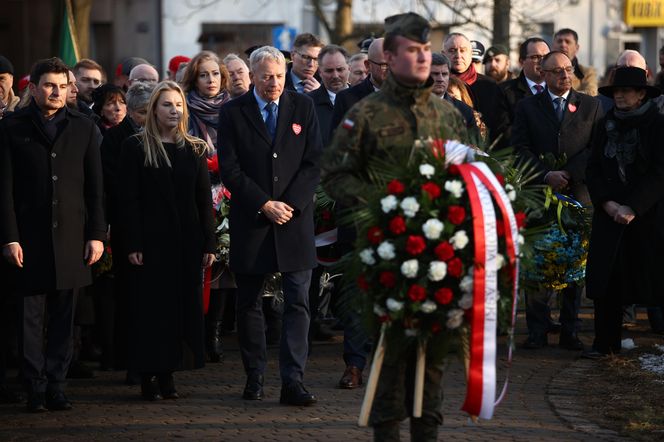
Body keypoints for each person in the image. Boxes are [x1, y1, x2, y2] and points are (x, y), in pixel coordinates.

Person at [323, 12, 467, 441]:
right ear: (388, 56)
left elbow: (466, 176)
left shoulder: (448, 115)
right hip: (385, 255)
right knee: (390, 371)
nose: (422, 58)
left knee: (432, 374)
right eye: (411, 50)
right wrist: (383, 200)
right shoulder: (365, 113)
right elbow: (335, 176)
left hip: (438, 257)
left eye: (426, 49)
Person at [218, 45, 322, 406]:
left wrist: (289, 204)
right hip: (252, 221)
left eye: (278, 76)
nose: (273, 83)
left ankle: (293, 381)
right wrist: (263, 203)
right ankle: (255, 376)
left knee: (298, 302)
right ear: (252, 76)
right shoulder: (233, 112)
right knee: (248, 303)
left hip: (294, 222)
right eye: (265, 76)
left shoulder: (303, 107)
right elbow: (230, 168)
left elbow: (313, 163)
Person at [0, 57, 105, 412]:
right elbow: (4, 189)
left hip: (72, 238)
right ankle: (34, 384)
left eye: (62, 85)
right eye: (48, 85)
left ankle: (57, 385)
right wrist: (9, 237)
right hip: (27, 239)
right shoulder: (11, 127)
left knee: (64, 316)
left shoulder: (85, 127)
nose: (56, 91)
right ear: (32, 88)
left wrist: (96, 235)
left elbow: (95, 187)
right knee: (29, 317)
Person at [119, 81, 216, 400]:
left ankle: (169, 374)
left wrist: (209, 243)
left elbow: (204, 201)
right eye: (167, 105)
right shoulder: (135, 147)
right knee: (150, 311)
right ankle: (148, 374)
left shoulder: (195, 148)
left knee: (179, 311)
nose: (174, 110)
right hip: (149, 243)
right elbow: (128, 199)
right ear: (153, 111)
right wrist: (133, 242)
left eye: (178, 105)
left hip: (186, 243)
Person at [511, 50, 603, 350]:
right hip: (540, 196)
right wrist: (545, 174)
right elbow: (519, 148)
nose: (565, 75)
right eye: (557, 71)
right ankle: (537, 331)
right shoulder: (527, 106)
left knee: (575, 267)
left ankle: (570, 330)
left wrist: (568, 172)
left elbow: (596, 148)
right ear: (544, 74)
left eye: (568, 69)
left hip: (578, 195)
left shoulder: (590, 105)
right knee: (538, 263)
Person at [584, 66, 664, 357]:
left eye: (625, 91)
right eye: (616, 91)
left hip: (648, 217)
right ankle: (605, 343)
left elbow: (660, 172)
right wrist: (607, 203)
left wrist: (634, 206)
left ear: (641, 95)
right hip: (610, 216)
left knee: (653, 279)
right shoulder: (606, 124)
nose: (619, 96)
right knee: (607, 283)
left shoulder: (657, 125)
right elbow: (592, 168)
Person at [100, 82, 154, 376]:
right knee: (129, 297)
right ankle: (127, 359)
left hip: (156, 227)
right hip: (126, 226)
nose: (150, 117)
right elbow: (113, 184)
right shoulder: (115, 140)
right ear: (132, 112)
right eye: (145, 112)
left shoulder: (162, 136)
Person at [181, 50, 231, 361]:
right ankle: (193, 332)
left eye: (215, 74)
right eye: (203, 74)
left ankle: (214, 332)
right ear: (194, 79)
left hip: (228, 194)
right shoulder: (184, 109)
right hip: (196, 195)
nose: (210, 80)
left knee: (224, 268)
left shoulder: (234, 109)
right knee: (198, 265)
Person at [443, 32, 510, 148]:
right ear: (443, 54)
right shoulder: (434, 84)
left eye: (463, 50)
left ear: (470, 54)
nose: (458, 55)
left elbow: (499, 126)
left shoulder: (489, 86)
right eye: (452, 50)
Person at [331, 38, 387, 131]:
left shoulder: (408, 95)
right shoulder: (346, 99)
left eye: (394, 63)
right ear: (368, 65)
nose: (391, 70)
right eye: (384, 65)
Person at [307, 45, 349, 147]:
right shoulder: (307, 104)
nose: (335, 76)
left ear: (349, 68)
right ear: (320, 72)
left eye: (340, 69)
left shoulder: (362, 100)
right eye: (329, 71)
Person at [501, 37, 550, 124]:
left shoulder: (559, 89)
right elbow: (504, 129)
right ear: (521, 61)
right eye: (536, 57)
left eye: (546, 57)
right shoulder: (505, 92)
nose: (542, 61)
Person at [430, 53, 475, 131]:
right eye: (435, 74)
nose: (440, 79)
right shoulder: (410, 105)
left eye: (444, 74)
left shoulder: (464, 111)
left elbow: (475, 141)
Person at [552, 28, 597, 96]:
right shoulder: (544, 71)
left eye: (567, 42)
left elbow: (591, 93)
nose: (563, 45)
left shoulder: (586, 73)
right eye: (559, 41)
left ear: (577, 48)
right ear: (553, 46)